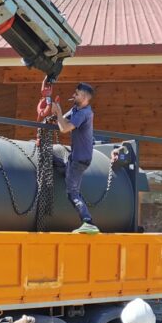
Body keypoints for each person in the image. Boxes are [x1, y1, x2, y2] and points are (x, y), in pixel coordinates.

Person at [52, 82, 99, 234]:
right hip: (75, 157)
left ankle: (88, 221)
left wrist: (58, 112)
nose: (73, 95)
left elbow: (64, 128)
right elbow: (62, 120)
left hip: (80, 160)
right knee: (57, 161)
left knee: (72, 192)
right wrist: (55, 113)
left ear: (84, 98)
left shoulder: (84, 113)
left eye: (76, 94)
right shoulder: (76, 109)